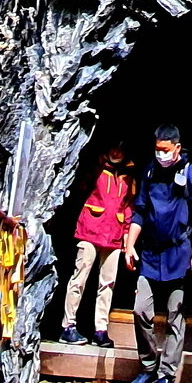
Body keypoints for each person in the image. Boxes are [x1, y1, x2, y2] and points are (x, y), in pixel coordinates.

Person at [123, 124, 192, 383]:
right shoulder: (149, 171)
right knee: (141, 310)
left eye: (165, 150)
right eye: (157, 150)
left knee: (175, 317)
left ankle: (166, 376)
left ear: (177, 148)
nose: (161, 155)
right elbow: (140, 211)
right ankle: (148, 367)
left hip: (178, 255)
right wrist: (130, 245)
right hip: (150, 255)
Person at [60, 144, 133, 346]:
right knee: (79, 278)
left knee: (107, 284)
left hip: (115, 234)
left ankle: (100, 330)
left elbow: (128, 206)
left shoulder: (129, 176)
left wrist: (127, 234)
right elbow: (79, 189)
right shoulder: (95, 168)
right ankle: (68, 326)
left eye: (121, 148)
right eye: (114, 146)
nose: (116, 151)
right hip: (90, 229)